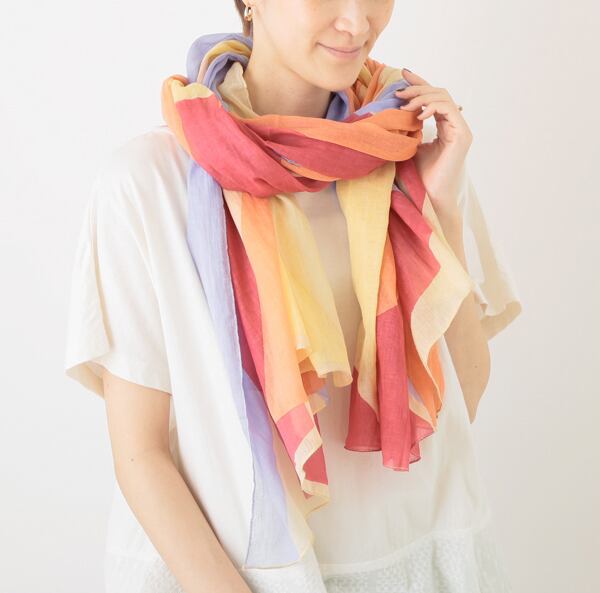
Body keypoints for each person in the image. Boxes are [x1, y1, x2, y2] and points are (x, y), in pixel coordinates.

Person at [63, 1, 522, 592]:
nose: (356, 22)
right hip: (233, 574)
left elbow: (464, 395)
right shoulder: (149, 181)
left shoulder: (407, 150)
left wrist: (442, 206)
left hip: (411, 555)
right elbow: (140, 454)